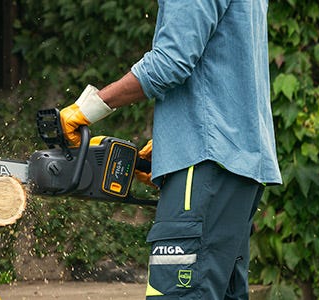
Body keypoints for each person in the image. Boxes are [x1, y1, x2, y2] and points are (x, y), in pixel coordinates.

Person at [59, 0, 282, 299]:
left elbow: (170, 62)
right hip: (237, 166)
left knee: (178, 293)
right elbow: (225, 63)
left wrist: (89, 108)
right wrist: (173, 141)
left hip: (205, 161)